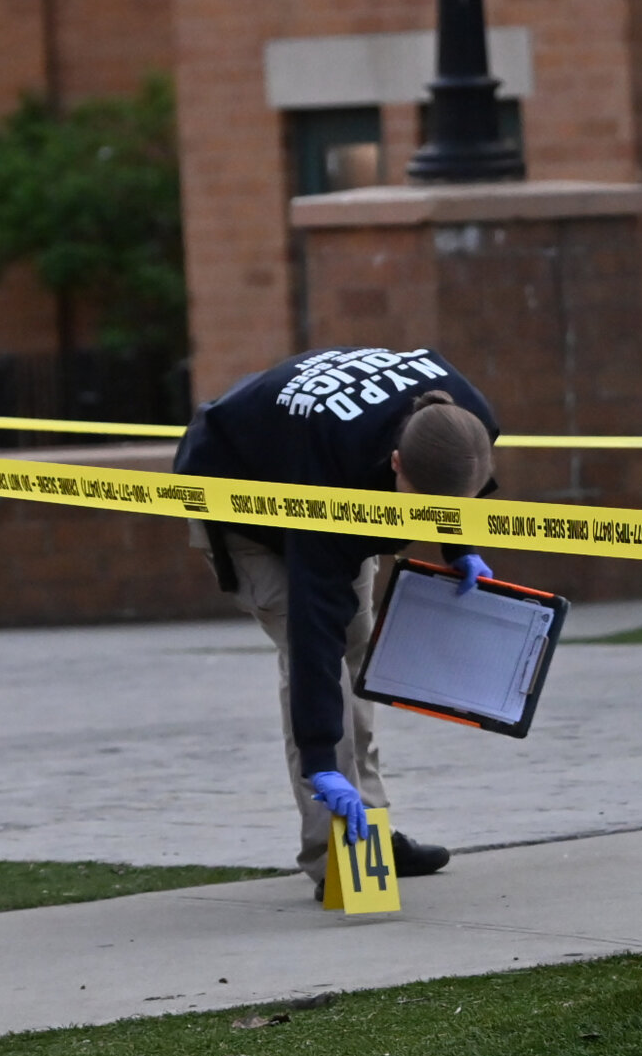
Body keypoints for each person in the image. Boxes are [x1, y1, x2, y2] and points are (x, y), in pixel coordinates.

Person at [175, 346, 500, 896]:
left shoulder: (468, 421)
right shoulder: (332, 479)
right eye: (420, 509)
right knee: (327, 669)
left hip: (312, 466)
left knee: (361, 660)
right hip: (238, 491)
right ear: (395, 464)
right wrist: (320, 757)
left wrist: (458, 546)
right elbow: (313, 634)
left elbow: (452, 492)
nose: (427, 521)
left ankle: (371, 831)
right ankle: (339, 857)